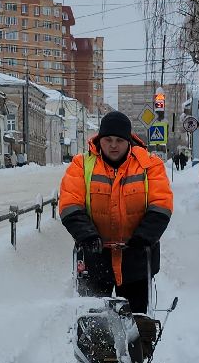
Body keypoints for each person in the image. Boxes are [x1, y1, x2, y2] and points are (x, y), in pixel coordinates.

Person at [59, 110, 173, 314]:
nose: (113, 145)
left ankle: (136, 345)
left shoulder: (149, 165)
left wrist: (143, 238)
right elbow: (70, 204)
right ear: (99, 139)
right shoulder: (81, 165)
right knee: (93, 322)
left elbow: (161, 204)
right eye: (108, 139)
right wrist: (87, 235)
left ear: (129, 140)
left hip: (136, 259)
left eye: (119, 140)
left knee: (135, 322)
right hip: (94, 258)